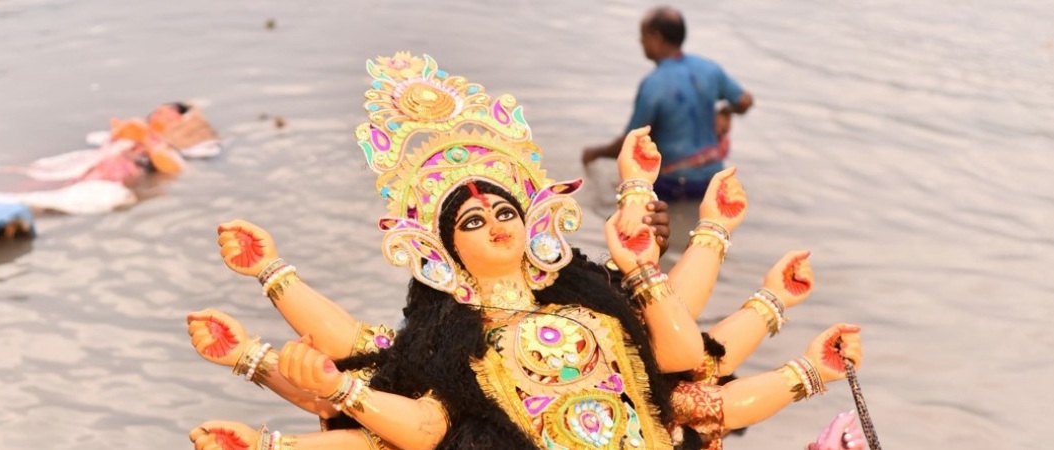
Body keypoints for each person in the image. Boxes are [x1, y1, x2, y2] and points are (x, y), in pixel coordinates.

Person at [179, 53, 863, 450]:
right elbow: (415, 427)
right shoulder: (448, 345)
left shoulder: (595, 308)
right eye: (473, 221)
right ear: (442, 252)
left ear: (534, 220)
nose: (496, 224)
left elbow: (695, 382)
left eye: (505, 209)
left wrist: (809, 363)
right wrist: (313, 377)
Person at [583, 6, 754, 251]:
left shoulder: (654, 84)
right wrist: (726, 111)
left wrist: (595, 153)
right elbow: (746, 101)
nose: (640, 42)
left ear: (656, 37)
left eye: (643, 36)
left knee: (623, 200)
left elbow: (629, 143)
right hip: (711, 178)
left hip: (671, 184)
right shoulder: (709, 69)